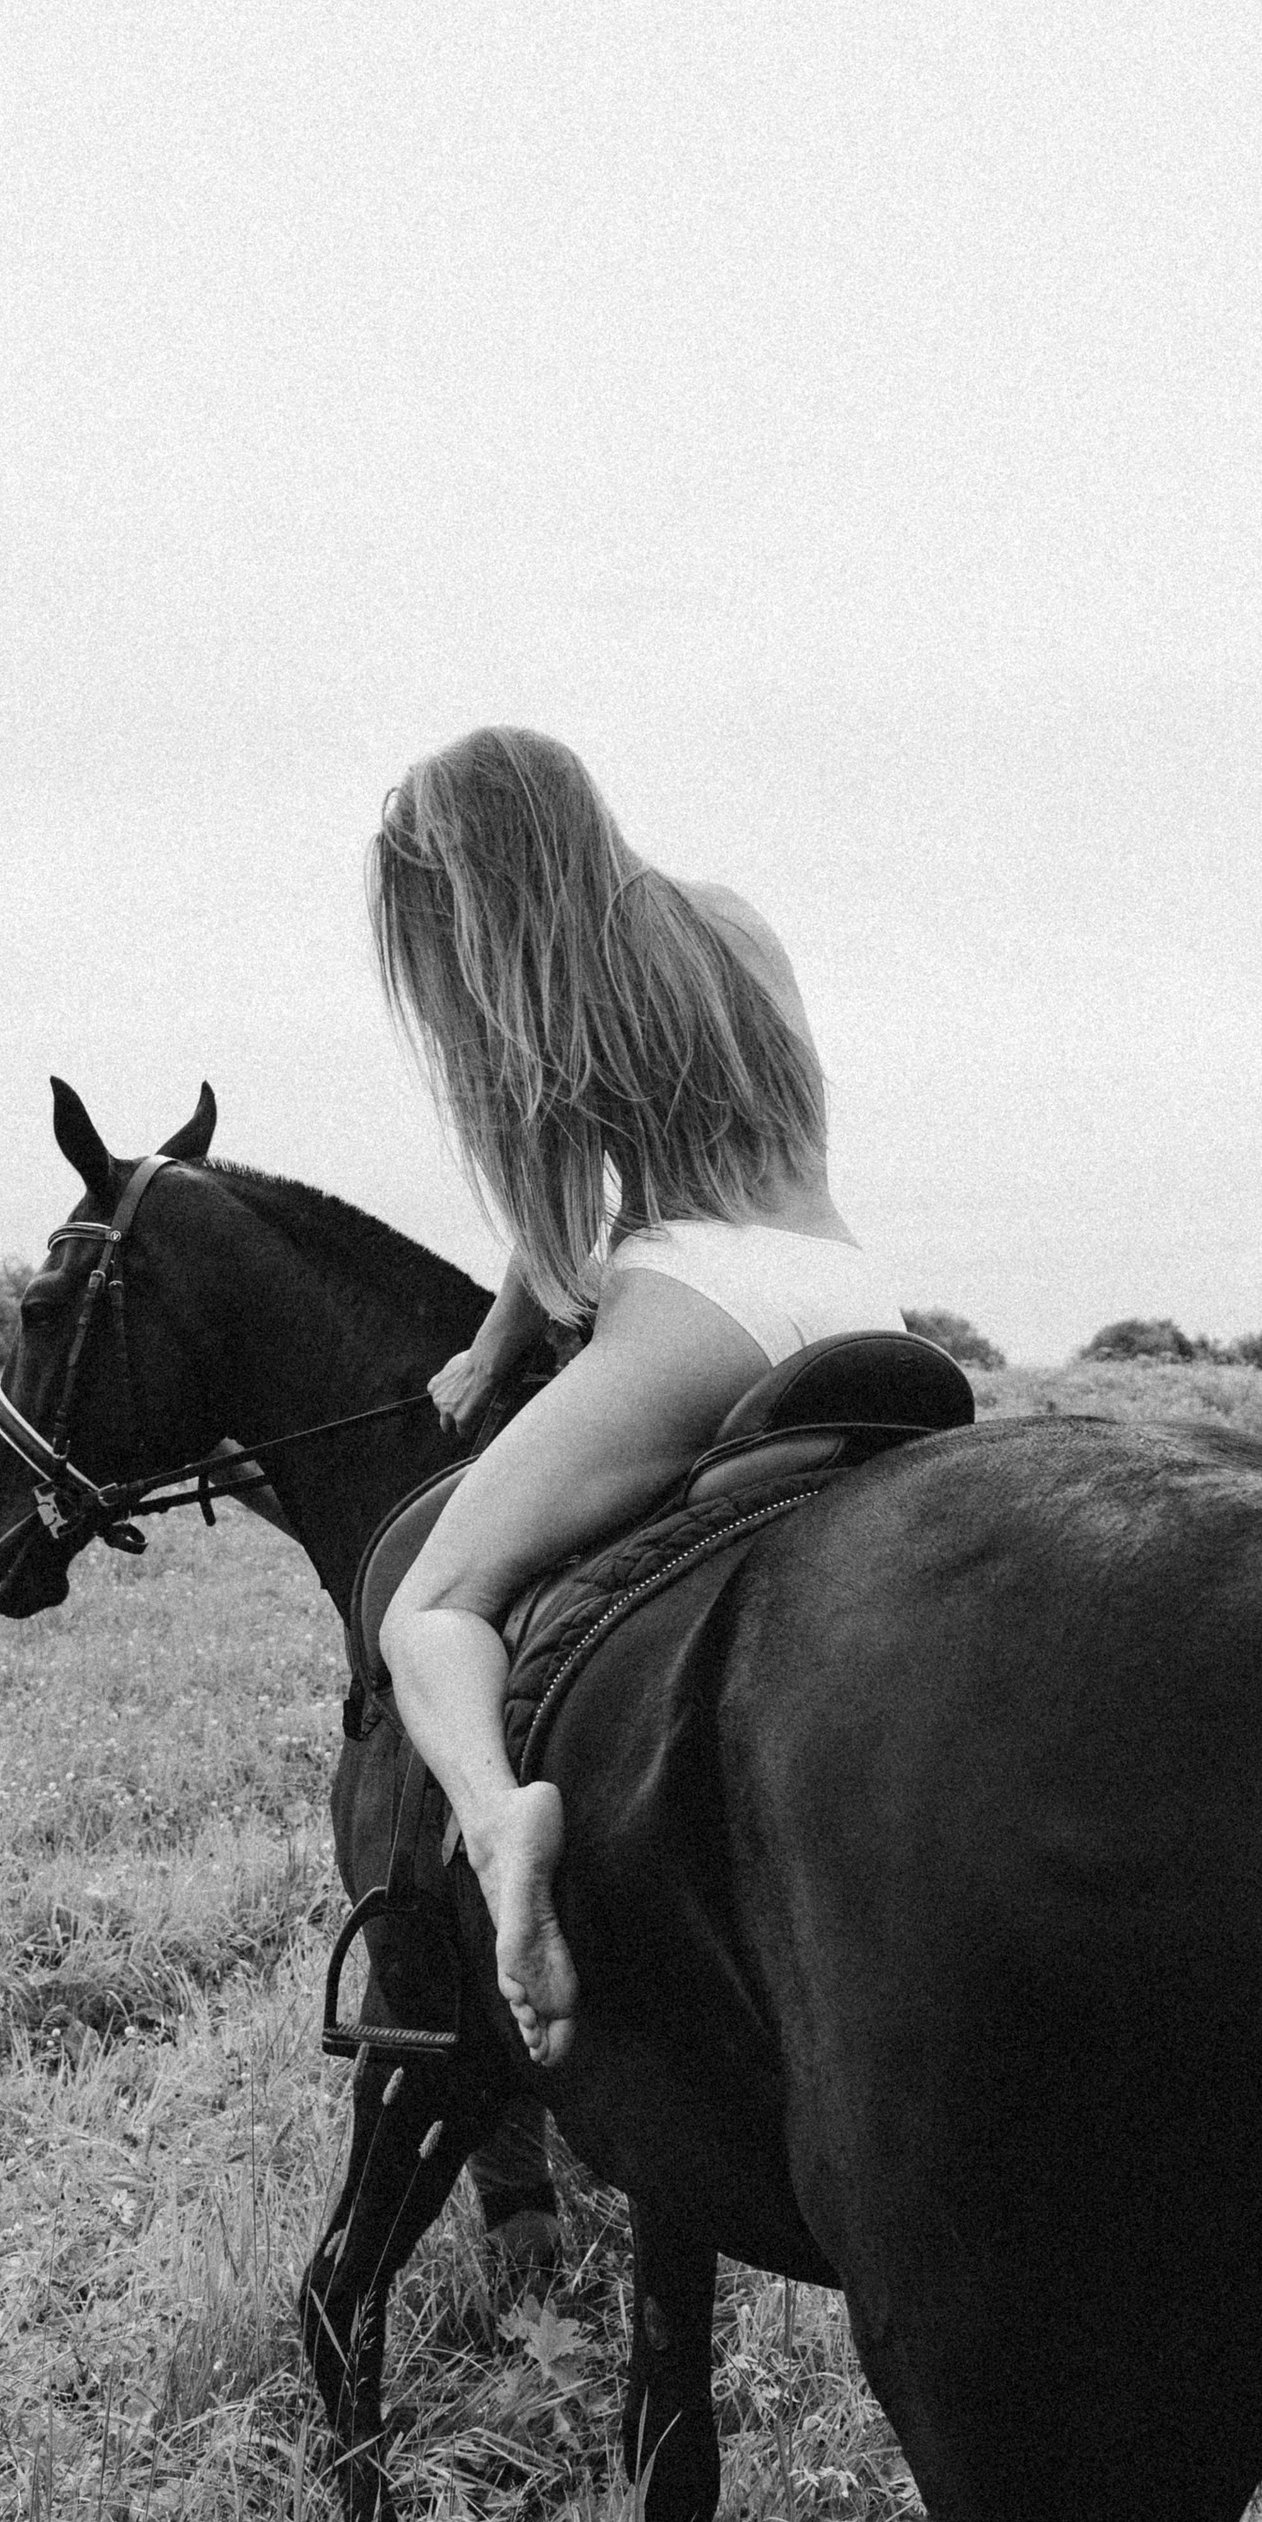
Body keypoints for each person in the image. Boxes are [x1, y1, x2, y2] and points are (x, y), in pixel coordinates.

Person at [370, 727, 907, 2068]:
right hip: (850, 1291)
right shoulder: (733, 928)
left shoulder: (544, 994)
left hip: (703, 1306)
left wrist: (493, 1357)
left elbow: (561, 1252)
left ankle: (502, 1833)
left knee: (430, 1603)